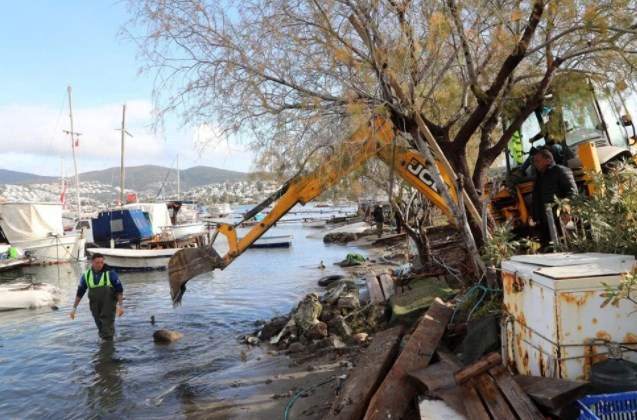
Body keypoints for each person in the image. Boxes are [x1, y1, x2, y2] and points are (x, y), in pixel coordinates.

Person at [529, 149, 577, 248]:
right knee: (547, 249)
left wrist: (566, 212)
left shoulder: (561, 171)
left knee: (564, 246)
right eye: (534, 162)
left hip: (559, 219)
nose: (535, 164)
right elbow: (537, 198)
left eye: (538, 161)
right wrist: (533, 215)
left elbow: (573, 192)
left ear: (548, 160)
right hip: (544, 221)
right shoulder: (539, 177)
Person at [70, 253, 124, 341]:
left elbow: (119, 290)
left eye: (101, 262)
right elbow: (80, 292)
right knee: (100, 325)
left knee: (107, 326)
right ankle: (105, 344)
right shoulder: (86, 275)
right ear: (92, 262)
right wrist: (74, 308)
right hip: (95, 306)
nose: (100, 265)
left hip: (108, 305)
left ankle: (108, 348)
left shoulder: (110, 273)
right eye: (97, 262)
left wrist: (121, 306)